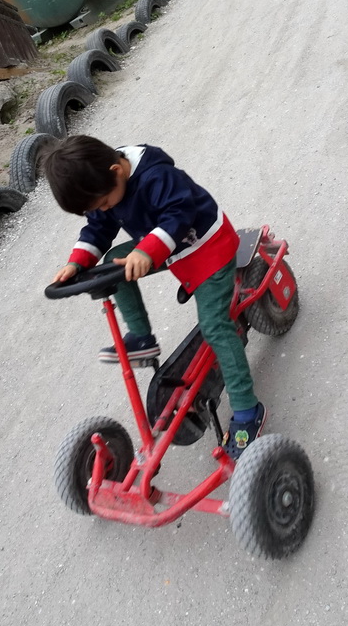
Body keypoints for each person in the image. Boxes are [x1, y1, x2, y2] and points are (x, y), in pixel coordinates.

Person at [44, 135, 267, 459]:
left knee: (215, 325)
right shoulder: (105, 184)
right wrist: (77, 261)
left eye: (105, 202)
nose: (105, 209)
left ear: (117, 171)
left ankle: (248, 411)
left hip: (206, 248)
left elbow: (179, 212)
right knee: (111, 267)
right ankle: (142, 336)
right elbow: (98, 228)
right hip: (166, 248)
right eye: (99, 206)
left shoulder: (155, 176)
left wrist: (147, 250)